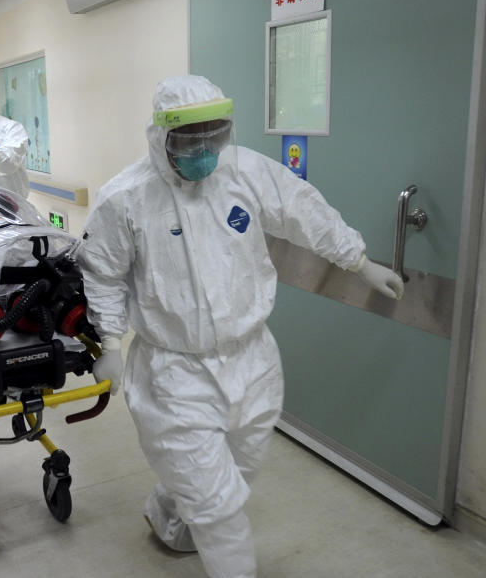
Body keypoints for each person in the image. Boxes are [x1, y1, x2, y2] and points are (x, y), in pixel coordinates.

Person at [77, 75, 403, 578]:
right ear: (160, 136)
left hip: (253, 359)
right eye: (190, 139)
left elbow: (303, 210)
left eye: (216, 136)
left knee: (237, 469)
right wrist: (109, 342)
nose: (205, 150)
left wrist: (359, 261)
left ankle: (169, 512)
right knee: (220, 505)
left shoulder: (244, 172)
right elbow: (102, 273)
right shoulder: (126, 198)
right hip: (174, 372)